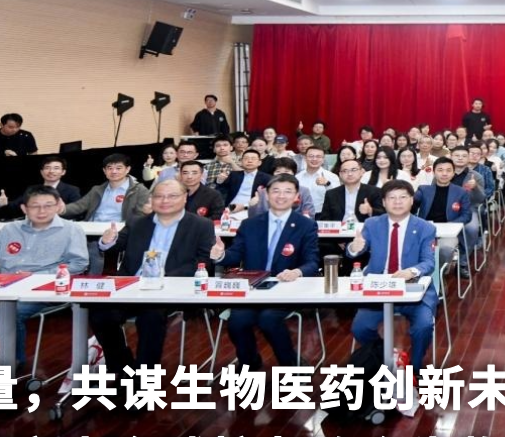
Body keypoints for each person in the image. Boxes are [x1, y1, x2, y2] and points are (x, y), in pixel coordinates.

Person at [0, 185, 89, 368]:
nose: (42, 211)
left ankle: (14, 364)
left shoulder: (71, 230)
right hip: (3, 289)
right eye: (35, 206)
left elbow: (78, 264)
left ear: (58, 205)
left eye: (48, 205)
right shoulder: (10, 229)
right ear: (24, 208)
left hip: (42, 291)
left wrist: (35, 276)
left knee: (8, 315)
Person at [87, 179, 219, 375]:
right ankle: (123, 369)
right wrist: (107, 241)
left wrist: (163, 279)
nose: (164, 200)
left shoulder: (201, 225)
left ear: (185, 198)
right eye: (159, 196)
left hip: (171, 289)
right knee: (101, 313)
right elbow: (115, 245)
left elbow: (203, 261)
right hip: (131, 287)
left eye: (172, 196)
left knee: (150, 317)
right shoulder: (137, 222)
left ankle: (144, 376)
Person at [214, 175, 319, 370]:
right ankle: (250, 363)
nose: (281, 196)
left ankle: (291, 364)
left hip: (286, 289)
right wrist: (221, 255)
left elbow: (312, 262)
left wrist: (297, 271)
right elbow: (235, 255)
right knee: (238, 321)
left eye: (287, 191)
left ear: (296, 196)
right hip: (253, 289)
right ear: (267, 195)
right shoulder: (250, 224)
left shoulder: (306, 225)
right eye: (276, 191)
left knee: (268, 319)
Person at [347, 180, 441, 371]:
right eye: (392, 198)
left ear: (412, 200)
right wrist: (354, 248)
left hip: (412, 287)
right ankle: (386, 355)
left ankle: (414, 368)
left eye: (403, 197)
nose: (397, 202)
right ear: (383, 202)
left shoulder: (425, 227)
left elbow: (428, 262)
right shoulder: (372, 224)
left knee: (423, 326)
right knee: (360, 327)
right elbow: (356, 250)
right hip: (379, 287)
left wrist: (411, 272)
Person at [415, 157, 473, 267]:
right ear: (434, 172)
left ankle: (440, 272)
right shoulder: (423, 190)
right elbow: (411, 204)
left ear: (453, 173)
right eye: (440, 170)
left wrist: (450, 225)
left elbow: (467, 215)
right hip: (426, 230)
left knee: (446, 249)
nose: (444, 174)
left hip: (448, 231)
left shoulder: (461, 192)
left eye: (448, 170)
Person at [63, 154, 152, 224]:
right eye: (110, 168)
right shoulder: (97, 190)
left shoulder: (139, 190)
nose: (114, 171)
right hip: (93, 229)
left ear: (127, 169)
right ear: (104, 171)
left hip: (120, 233)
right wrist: (61, 209)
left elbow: (140, 216)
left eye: (118, 168)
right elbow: (79, 206)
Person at [0, 157, 81, 211]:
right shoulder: (32, 189)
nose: (51, 171)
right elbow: (15, 206)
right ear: (41, 172)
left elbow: (77, 211)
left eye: (56, 168)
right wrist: (3, 204)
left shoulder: (72, 190)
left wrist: (63, 209)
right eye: (47, 168)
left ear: (63, 172)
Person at [322, 158, 381, 225]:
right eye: (345, 171)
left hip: (365, 229)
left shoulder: (374, 192)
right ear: (340, 175)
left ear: (361, 172)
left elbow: (383, 215)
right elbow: (324, 219)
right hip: (339, 230)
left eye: (353, 170)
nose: (349, 174)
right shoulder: (331, 194)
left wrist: (370, 210)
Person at [295, 145, 339, 212]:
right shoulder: (298, 177)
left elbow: (337, 197)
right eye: (311, 156)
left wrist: (328, 184)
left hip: (323, 214)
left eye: (318, 156)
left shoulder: (332, 176)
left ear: (323, 159)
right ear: (305, 158)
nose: (314, 159)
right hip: (301, 213)